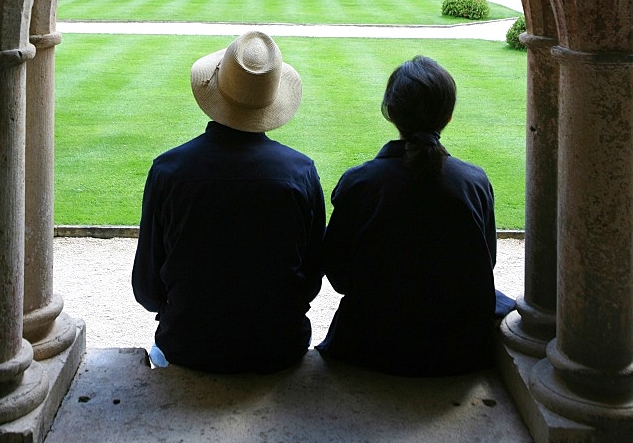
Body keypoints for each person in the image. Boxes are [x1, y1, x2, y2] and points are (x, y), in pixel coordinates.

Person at [132, 30, 325, 373]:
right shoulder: (301, 174)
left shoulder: (169, 171)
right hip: (279, 348)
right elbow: (310, 282)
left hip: (188, 346)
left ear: (217, 88)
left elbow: (147, 289)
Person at [316, 54, 515, 376]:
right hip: (455, 351)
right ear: (448, 116)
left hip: (369, 346)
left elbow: (338, 275)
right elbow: (484, 264)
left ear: (390, 112)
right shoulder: (474, 182)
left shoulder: (361, 182)